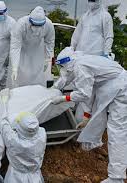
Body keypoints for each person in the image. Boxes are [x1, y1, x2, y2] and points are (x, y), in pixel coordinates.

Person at [51, 47, 127, 183]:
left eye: (62, 66)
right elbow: (90, 92)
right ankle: (116, 175)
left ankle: (116, 178)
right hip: (116, 87)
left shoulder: (80, 67)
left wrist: (63, 98)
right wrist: (87, 116)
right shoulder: (83, 62)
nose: (62, 70)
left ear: (66, 64)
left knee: (117, 131)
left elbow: (84, 94)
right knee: (113, 129)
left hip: (120, 89)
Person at [0, 89, 47, 183]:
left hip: (15, 177)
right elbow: (33, 127)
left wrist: (4, 100)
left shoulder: (13, 139)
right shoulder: (42, 135)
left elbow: (2, 121)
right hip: (35, 178)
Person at [9, 6, 55, 88]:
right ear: (30, 20)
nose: (36, 28)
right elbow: (15, 47)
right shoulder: (20, 24)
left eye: (39, 25)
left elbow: (50, 43)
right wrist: (14, 67)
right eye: (34, 25)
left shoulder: (49, 25)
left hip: (38, 50)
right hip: (22, 51)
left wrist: (47, 59)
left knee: (37, 75)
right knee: (21, 76)